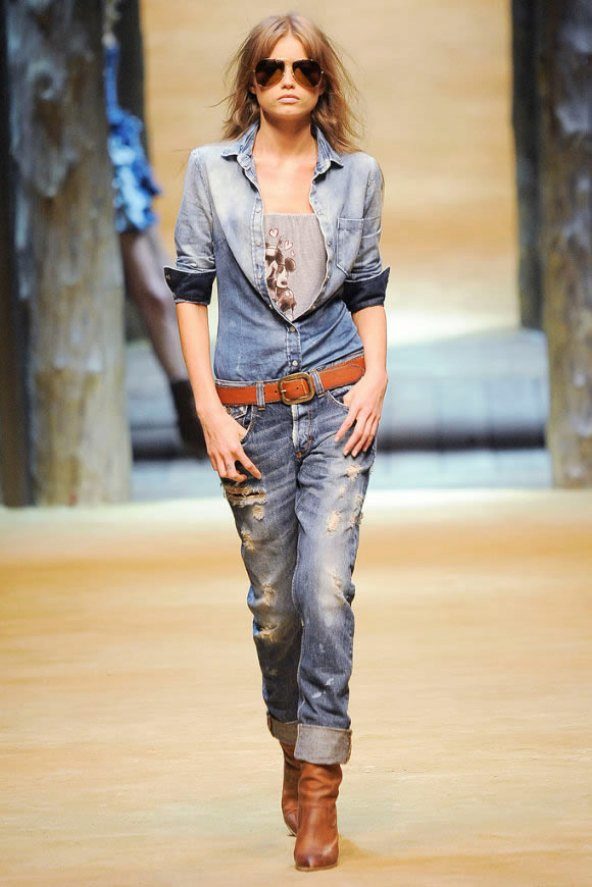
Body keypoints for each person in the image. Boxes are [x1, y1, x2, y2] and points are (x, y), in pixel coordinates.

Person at [163, 12, 390, 872]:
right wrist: (208, 410)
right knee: (276, 607)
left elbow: (367, 284)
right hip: (248, 414)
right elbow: (190, 290)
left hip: (337, 405)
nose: (287, 80)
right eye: (270, 68)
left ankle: (321, 784)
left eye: (303, 68)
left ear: (322, 82)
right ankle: (293, 744)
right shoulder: (210, 171)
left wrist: (376, 375)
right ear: (251, 82)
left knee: (326, 589)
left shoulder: (357, 174)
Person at [102, 0, 208, 456]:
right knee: (151, 290)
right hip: (99, 160)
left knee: (168, 286)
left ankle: (198, 400)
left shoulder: (102, 20)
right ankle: (189, 407)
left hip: (116, 153)